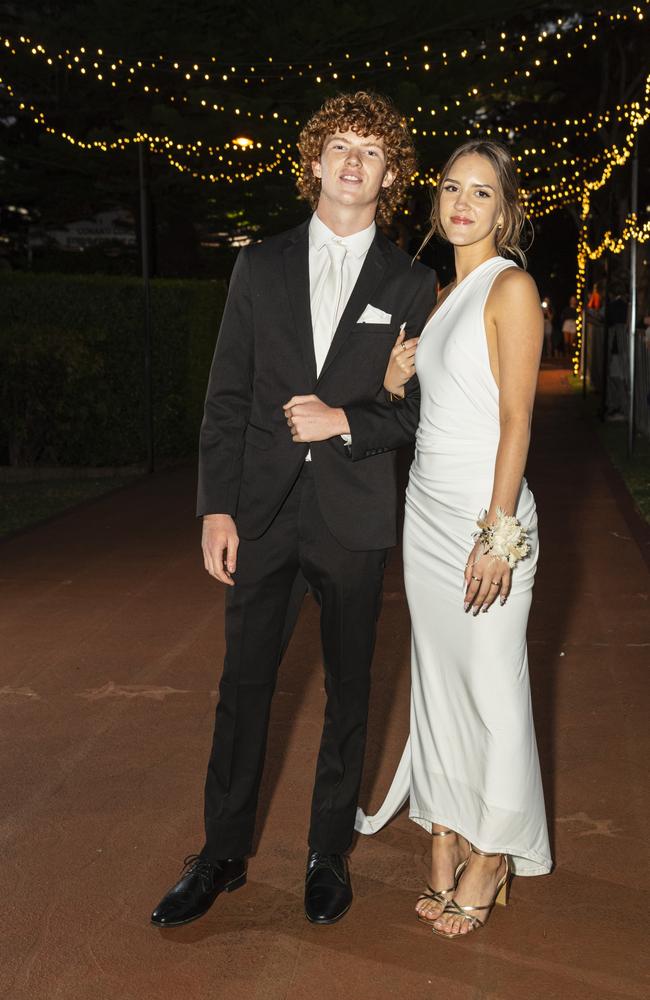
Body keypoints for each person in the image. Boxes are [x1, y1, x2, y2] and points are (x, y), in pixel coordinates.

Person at [150, 91, 436, 929]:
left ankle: (326, 852)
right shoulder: (258, 264)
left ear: (391, 176)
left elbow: (419, 410)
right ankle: (223, 853)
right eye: (340, 146)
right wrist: (216, 508)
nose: (354, 161)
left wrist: (347, 418)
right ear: (313, 161)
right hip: (262, 513)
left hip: (353, 514)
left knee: (351, 691)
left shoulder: (412, 281)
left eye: (372, 151)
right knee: (243, 686)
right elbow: (227, 396)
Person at [355, 140, 552, 939]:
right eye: (451, 188)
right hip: (426, 516)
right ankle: (443, 825)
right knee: (436, 682)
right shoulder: (440, 295)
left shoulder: (511, 286)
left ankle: (495, 848)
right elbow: (431, 407)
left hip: (484, 519)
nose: (463, 203)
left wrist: (498, 535)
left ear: (504, 210)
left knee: (493, 684)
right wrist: (399, 377)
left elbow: (515, 420)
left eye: (481, 192)